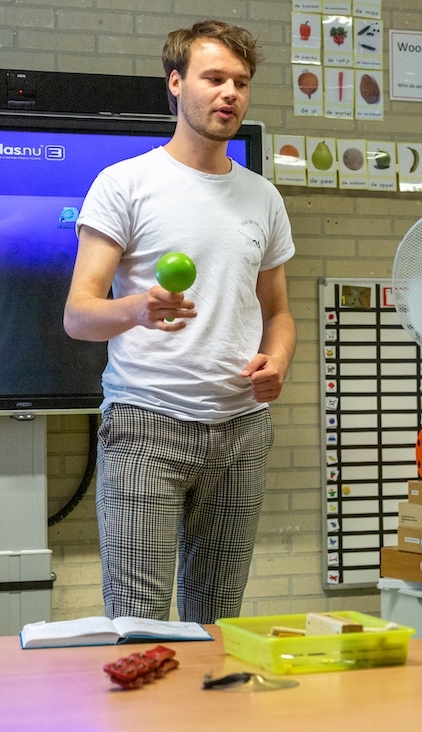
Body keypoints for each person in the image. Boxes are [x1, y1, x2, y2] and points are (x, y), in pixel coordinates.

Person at [63, 20, 296, 624]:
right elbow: (78, 314)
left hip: (242, 432)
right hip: (145, 428)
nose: (230, 94)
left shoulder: (263, 198)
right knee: (138, 624)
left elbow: (279, 314)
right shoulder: (125, 184)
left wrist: (279, 361)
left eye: (241, 83)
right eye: (214, 78)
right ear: (176, 83)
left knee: (219, 625)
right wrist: (138, 307)